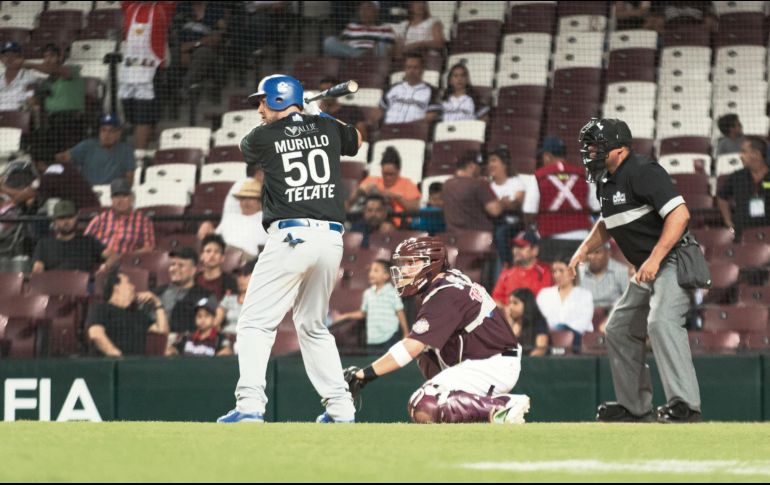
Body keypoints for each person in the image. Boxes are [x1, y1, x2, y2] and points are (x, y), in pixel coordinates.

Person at [218, 74, 363, 424]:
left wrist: (304, 117)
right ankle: (341, 409)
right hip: (331, 241)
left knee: (253, 321)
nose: (260, 108)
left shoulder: (265, 137)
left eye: (264, 101)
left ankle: (250, 406)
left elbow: (246, 147)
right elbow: (356, 139)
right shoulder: (326, 128)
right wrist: (319, 116)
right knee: (313, 325)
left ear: (281, 100)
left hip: (292, 237)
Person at [572, 117, 701, 423]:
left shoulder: (643, 171)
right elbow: (608, 222)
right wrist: (584, 248)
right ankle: (634, 407)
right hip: (648, 268)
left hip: (672, 258)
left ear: (619, 149)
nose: (590, 152)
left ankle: (685, 405)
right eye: (588, 146)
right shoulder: (606, 180)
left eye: (596, 146)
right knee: (618, 329)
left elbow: (680, 215)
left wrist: (655, 258)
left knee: (661, 322)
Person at [344, 237, 531, 424]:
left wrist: (365, 374)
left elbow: (411, 347)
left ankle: (504, 405)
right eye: (403, 264)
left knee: (424, 403)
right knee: (427, 356)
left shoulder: (445, 294)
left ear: (431, 264)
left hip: (492, 363)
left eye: (411, 263)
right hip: (487, 357)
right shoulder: (449, 280)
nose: (404, 270)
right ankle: (470, 408)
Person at [523, 136, 600, 259]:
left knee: (554, 277)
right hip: (581, 240)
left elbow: (529, 211)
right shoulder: (583, 175)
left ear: (547, 156)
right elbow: (597, 206)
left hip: (551, 240)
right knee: (576, 277)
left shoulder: (538, 176)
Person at [119, 2, 176, 150]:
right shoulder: (130, 7)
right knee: (134, 118)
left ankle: (140, 157)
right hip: (129, 73)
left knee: (143, 120)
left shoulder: (163, 8)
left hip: (150, 74)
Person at [87, 269, 169, 357]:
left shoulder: (138, 313)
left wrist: (157, 303)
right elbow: (96, 334)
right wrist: (119, 357)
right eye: (128, 282)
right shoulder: (100, 308)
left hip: (134, 365)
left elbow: (162, 332)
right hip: (108, 363)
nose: (133, 286)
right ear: (116, 287)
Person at [333, 259, 409, 348]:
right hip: (373, 338)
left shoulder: (392, 293)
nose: (371, 274)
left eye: (376, 270)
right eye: (370, 270)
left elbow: (400, 312)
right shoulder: (368, 293)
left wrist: (406, 332)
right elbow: (363, 313)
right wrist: (344, 316)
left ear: (386, 275)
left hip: (390, 336)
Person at [27, 44, 86, 154]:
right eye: (46, 57)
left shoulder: (73, 70)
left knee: (53, 130)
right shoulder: (47, 80)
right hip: (51, 120)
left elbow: (58, 71)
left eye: (52, 56)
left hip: (71, 119)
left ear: (60, 57)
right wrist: (32, 101)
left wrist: (27, 64)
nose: (48, 60)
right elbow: (38, 99)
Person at [32, 200, 119, 274]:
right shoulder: (44, 244)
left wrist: (105, 267)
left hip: (83, 290)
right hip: (54, 289)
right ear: (55, 221)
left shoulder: (88, 241)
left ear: (76, 218)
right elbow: (38, 270)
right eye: (62, 218)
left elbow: (113, 256)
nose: (66, 222)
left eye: (70, 217)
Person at [1, 146, 99, 210]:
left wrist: (3, 189)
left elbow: (23, 195)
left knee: (39, 218)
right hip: (94, 210)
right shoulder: (66, 167)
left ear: (39, 164)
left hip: (82, 216)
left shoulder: (48, 178)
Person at [56, 114, 137, 187]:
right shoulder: (87, 146)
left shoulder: (126, 151)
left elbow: (129, 178)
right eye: (103, 130)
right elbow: (63, 158)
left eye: (111, 131)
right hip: (88, 190)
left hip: (113, 191)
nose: (106, 135)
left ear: (118, 133)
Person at [197, 179, 268, 259]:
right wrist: (207, 225)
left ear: (261, 202)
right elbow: (214, 238)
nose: (246, 202)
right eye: (243, 198)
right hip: (221, 253)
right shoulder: (231, 218)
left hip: (247, 257)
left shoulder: (266, 220)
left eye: (251, 198)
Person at [348, 147, 421, 222]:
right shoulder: (371, 180)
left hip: (396, 224)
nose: (388, 178)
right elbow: (349, 203)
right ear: (381, 170)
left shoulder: (407, 184)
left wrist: (396, 197)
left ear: (398, 171)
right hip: (367, 222)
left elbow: (415, 209)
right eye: (385, 174)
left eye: (391, 174)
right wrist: (360, 192)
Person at [717, 136, 770, 239]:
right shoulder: (737, 177)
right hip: (742, 233)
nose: (740, 156)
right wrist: (728, 222)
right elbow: (722, 197)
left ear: (757, 154)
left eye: (744, 152)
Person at [85, 178, 156, 255]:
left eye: (124, 196)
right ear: (111, 199)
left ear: (132, 198)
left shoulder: (143, 221)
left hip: (126, 262)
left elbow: (149, 248)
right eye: (116, 196)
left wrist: (125, 257)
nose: (120, 201)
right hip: (99, 260)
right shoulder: (99, 219)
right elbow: (84, 243)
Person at [153, 246, 215, 334]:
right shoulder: (157, 292)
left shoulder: (205, 297)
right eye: (172, 264)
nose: (174, 269)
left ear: (193, 270)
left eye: (181, 265)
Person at [536, 258, 595, 349]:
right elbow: (541, 321)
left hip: (578, 342)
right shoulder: (544, 294)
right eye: (554, 271)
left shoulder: (585, 295)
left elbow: (583, 323)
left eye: (561, 271)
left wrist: (564, 329)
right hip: (550, 342)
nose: (557, 275)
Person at [171, 1, 226, 97]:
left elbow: (220, 34)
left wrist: (195, 44)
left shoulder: (214, 8)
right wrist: (181, 49)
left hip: (206, 48)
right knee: (172, 54)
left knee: (202, 53)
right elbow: (174, 34)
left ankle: (184, 87)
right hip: (182, 47)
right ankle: (171, 92)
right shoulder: (181, 7)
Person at [375, 53, 441, 126]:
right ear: (404, 69)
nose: (411, 71)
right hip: (389, 129)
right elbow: (380, 110)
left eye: (416, 67)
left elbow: (432, 116)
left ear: (422, 69)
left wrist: (408, 126)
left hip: (414, 131)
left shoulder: (432, 91)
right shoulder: (393, 88)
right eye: (408, 67)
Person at [442, 155, 503, 232]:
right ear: (472, 166)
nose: (481, 170)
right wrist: (503, 203)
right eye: (479, 167)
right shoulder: (479, 184)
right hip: (479, 237)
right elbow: (495, 211)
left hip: (453, 237)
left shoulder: (447, 184)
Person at [492, 230, 553, 306]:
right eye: (515, 246)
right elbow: (496, 300)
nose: (516, 250)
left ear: (535, 250)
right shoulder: (507, 273)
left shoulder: (547, 272)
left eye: (521, 246)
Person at [488, 148, 526, 267]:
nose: (490, 165)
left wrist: (500, 204)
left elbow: (517, 203)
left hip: (513, 221)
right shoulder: (489, 185)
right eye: (489, 161)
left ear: (504, 164)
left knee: (501, 233)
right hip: (494, 221)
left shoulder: (516, 182)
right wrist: (503, 202)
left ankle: (507, 265)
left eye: (494, 161)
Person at [323, 1, 396, 59]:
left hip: (374, 58)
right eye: (361, 9)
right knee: (329, 41)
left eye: (367, 9)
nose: (363, 12)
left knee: (381, 45)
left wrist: (371, 51)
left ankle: (360, 56)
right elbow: (343, 44)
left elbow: (389, 47)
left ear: (376, 12)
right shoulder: (351, 26)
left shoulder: (385, 27)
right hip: (352, 56)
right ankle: (359, 56)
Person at [167, 296, 233, 357]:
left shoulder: (219, 338)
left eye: (206, 316)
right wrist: (171, 350)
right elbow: (173, 349)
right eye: (199, 316)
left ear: (213, 318)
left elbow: (227, 351)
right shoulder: (187, 337)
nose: (202, 320)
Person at [579, 243, 630, 319]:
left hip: (613, 316)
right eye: (590, 253)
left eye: (597, 252)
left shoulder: (621, 271)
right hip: (585, 315)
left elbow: (629, 301)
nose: (592, 257)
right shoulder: (580, 272)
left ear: (608, 253)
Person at [0, 41, 46, 111]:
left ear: (20, 57)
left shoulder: (30, 76)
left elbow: (33, 101)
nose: (9, 58)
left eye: (13, 55)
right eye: (6, 55)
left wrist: (32, 102)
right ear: (1, 59)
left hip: (18, 116)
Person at [506, 288, 549, 357]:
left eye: (515, 303)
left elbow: (541, 350)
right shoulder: (510, 322)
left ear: (526, 304)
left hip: (533, 364)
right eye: (510, 303)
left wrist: (526, 362)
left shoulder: (539, 322)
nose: (510, 307)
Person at [219, 259, 257, 334]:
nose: (241, 279)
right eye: (239, 275)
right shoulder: (229, 298)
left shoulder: (258, 302)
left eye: (245, 275)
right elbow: (215, 322)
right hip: (226, 337)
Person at [196, 234, 238, 300]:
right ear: (201, 256)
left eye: (216, 252)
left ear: (222, 258)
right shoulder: (194, 279)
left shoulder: (231, 283)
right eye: (208, 251)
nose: (212, 255)